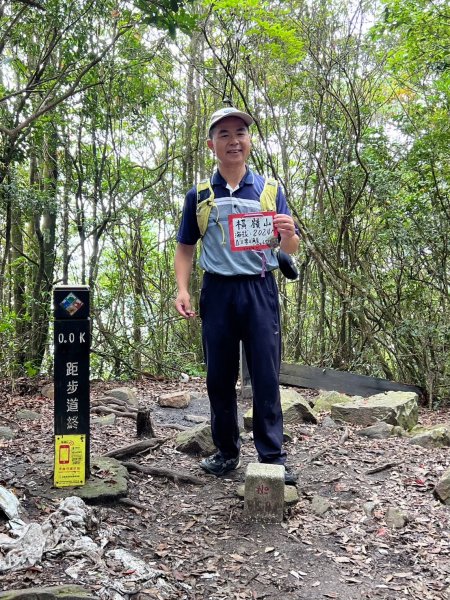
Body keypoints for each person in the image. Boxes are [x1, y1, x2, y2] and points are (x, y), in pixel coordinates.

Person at [174, 106, 300, 484]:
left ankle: (272, 456)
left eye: (240, 133)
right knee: (218, 376)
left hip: (259, 287)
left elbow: (288, 250)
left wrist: (289, 233)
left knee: (264, 373)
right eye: (225, 134)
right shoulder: (198, 194)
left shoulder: (269, 190)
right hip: (218, 291)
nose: (234, 141)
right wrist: (182, 288)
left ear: (249, 142)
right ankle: (226, 451)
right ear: (212, 144)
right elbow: (185, 246)